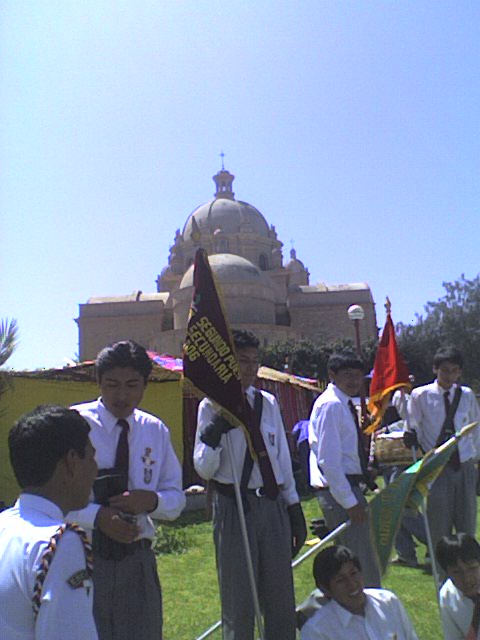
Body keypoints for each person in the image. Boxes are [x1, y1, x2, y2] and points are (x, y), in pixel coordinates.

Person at [67, 340, 186, 640]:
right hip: (83, 556)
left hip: (137, 559)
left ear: (146, 384)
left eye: (132, 385)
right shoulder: (74, 424)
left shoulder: (154, 430)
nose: (122, 395)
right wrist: (98, 517)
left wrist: (151, 501)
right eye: (112, 385)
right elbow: (53, 498)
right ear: (98, 382)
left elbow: (176, 498)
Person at [194, 329, 307, 640]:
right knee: (239, 600)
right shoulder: (211, 406)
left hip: (271, 505)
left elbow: (281, 458)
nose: (250, 369)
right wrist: (214, 433)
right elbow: (204, 467)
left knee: (281, 596)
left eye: (254, 362)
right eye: (242, 361)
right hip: (235, 507)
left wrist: (294, 506)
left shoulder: (268, 403)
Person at [0, 405, 99, 639]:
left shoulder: (5, 525)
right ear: (71, 461)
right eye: (91, 457)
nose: (96, 469)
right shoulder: (60, 543)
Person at [308, 352, 382, 587]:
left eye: (358, 376)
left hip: (346, 487)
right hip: (339, 491)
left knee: (357, 558)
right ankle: (366, 607)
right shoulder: (331, 405)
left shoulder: (342, 403)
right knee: (358, 561)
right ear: (332, 375)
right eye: (348, 375)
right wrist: (350, 502)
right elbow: (329, 461)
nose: (354, 381)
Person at [404, 347, 480, 555]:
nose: (449, 375)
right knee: (439, 528)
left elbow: (476, 429)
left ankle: (469, 576)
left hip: (464, 466)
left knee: (467, 525)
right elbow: (414, 427)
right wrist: (410, 436)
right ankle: (443, 577)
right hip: (437, 468)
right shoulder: (420, 395)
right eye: (445, 370)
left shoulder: (466, 395)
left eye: (455, 371)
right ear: (435, 369)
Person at [300, 545, 419, 639]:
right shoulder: (317, 632)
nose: (352, 584)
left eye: (353, 573)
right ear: (325, 589)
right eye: (340, 580)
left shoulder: (388, 602)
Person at [437, 533, 480, 640]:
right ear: (447, 573)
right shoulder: (447, 596)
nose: (467, 579)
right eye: (457, 572)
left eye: (472, 568)